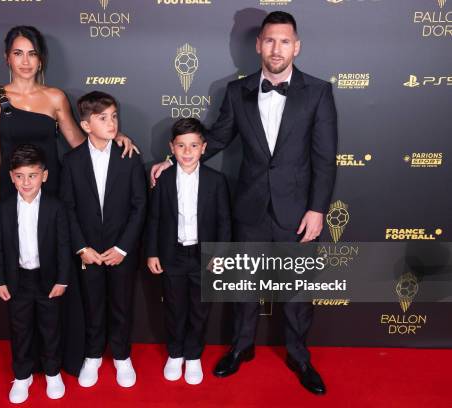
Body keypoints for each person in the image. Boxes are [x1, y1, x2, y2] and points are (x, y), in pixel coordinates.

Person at [151, 11, 338, 395]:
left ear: (296, 46)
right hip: (249, 207)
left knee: (297, 292)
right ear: (258, 45)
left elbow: (325, 157)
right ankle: (240, 347)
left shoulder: (318, 92)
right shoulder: (237, 92)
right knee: (243, 288)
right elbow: (215, 139)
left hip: (298, 211)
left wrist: (318, 209)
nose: (276, 48)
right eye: (270, 40)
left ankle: (300, 357)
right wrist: (173, 160)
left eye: (284, 41)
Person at [0, 25, 136, 240]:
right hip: (12, 189)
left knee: (53, 257)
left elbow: (79, 142)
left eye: (32, 54)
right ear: (7, 57)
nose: (25, 62)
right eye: (18, 53)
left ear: (41, 59)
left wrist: (112, 136)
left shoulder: (55, 97)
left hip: (51, 187)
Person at [60, 91, 147, 389]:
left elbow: (140, 206)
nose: (111, 123)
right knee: (93, 305)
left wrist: (123, 247)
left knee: (122, 305)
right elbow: (67, 208)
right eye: (102, 118)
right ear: (85, 125)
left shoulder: (130, 156)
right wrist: (82, 247)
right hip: (89, 252)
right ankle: (93, 355)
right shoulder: (71, 162)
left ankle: (122, 356)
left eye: (114, 117)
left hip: (121, 250)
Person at [145, 118, 231, 385]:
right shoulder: (163, 178)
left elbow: (224, 221)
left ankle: (193, 356)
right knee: (174, 307)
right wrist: (152, 252)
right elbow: (154, 219)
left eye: (193, 145)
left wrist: (219, 254)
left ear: (203, 148)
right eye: (181, 146)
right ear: (172, 147)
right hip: (172, 255)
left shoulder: (216, 181)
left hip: (204, 255)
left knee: (200, 308)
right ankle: (175, 353)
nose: (187, 151)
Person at [0, 144, 71, 403]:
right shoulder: (3, 209)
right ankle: (22, 376)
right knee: (20, 329)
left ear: (44, 176)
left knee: (50, 328)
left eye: (33, 175)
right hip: (18, 281)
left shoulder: (55, 207)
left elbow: (63, 246)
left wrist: (62, 279)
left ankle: (52, 373)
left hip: (47, 280)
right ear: (12, 177)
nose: (26, 182)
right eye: (20, 176)